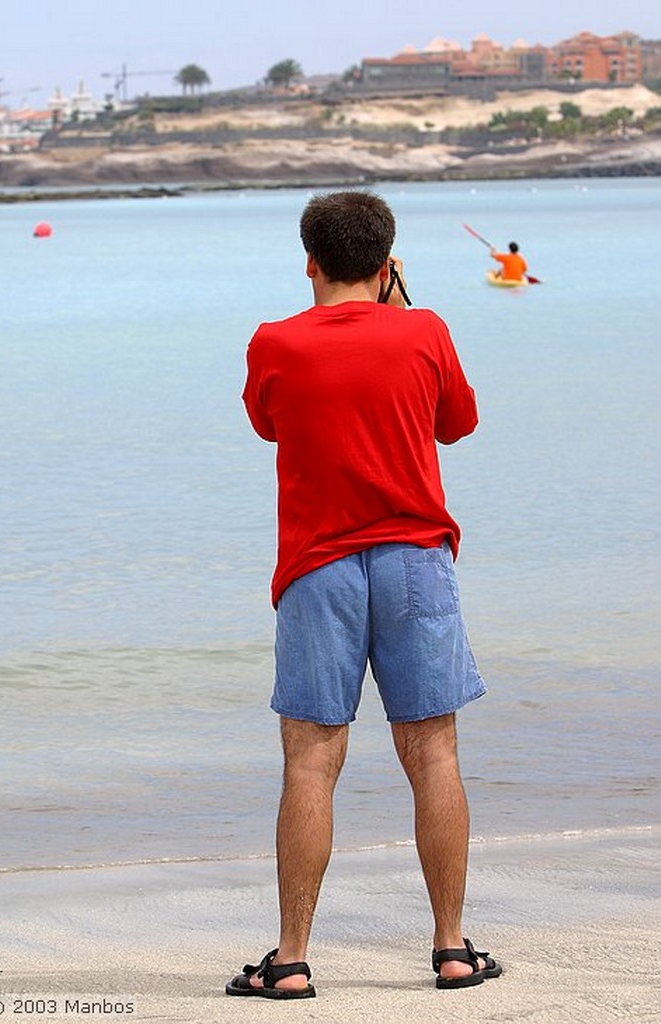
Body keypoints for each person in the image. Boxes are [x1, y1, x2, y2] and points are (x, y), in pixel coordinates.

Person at [226, 190, 501, 1000]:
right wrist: (402, 306)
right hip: (415, 559)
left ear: (308, 260)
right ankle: (451, 950)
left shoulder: (275, 341)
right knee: (434, 754)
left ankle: (291, 959)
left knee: (311, 762)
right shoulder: (426, 329)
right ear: (387, 265)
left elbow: (268, 425)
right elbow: (458, 424)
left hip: (319, 568)